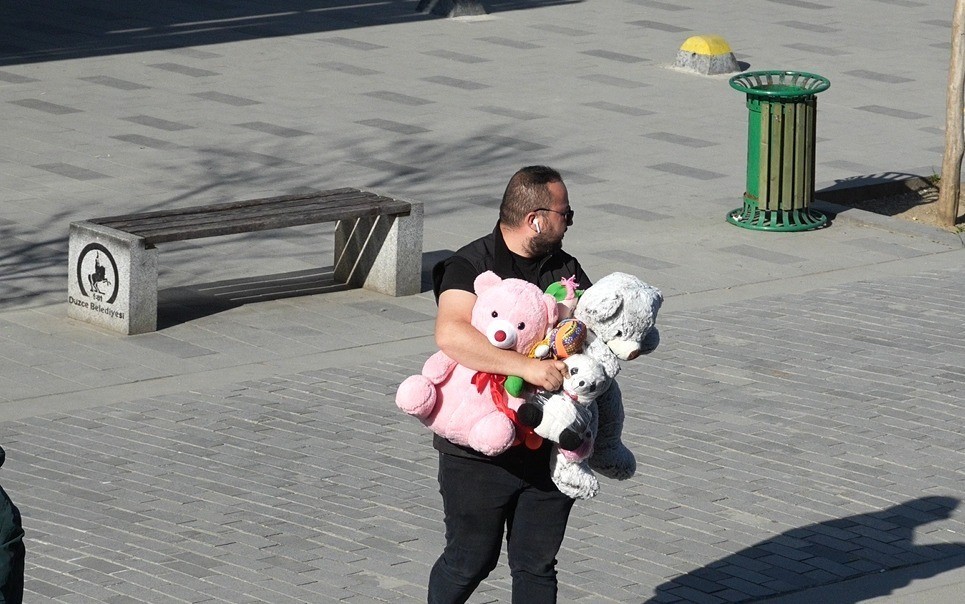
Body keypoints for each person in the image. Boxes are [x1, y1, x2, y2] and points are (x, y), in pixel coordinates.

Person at [428, 166, 591, 604]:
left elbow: (590, 335)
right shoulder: (470, 264)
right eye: (566, 214)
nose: (569, 223)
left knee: (536, 566)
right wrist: (527, 366)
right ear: (537, 218)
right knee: (469, 560)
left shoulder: (565, 268)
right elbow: (452, 334)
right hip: (478, 454)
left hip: (548, 447)